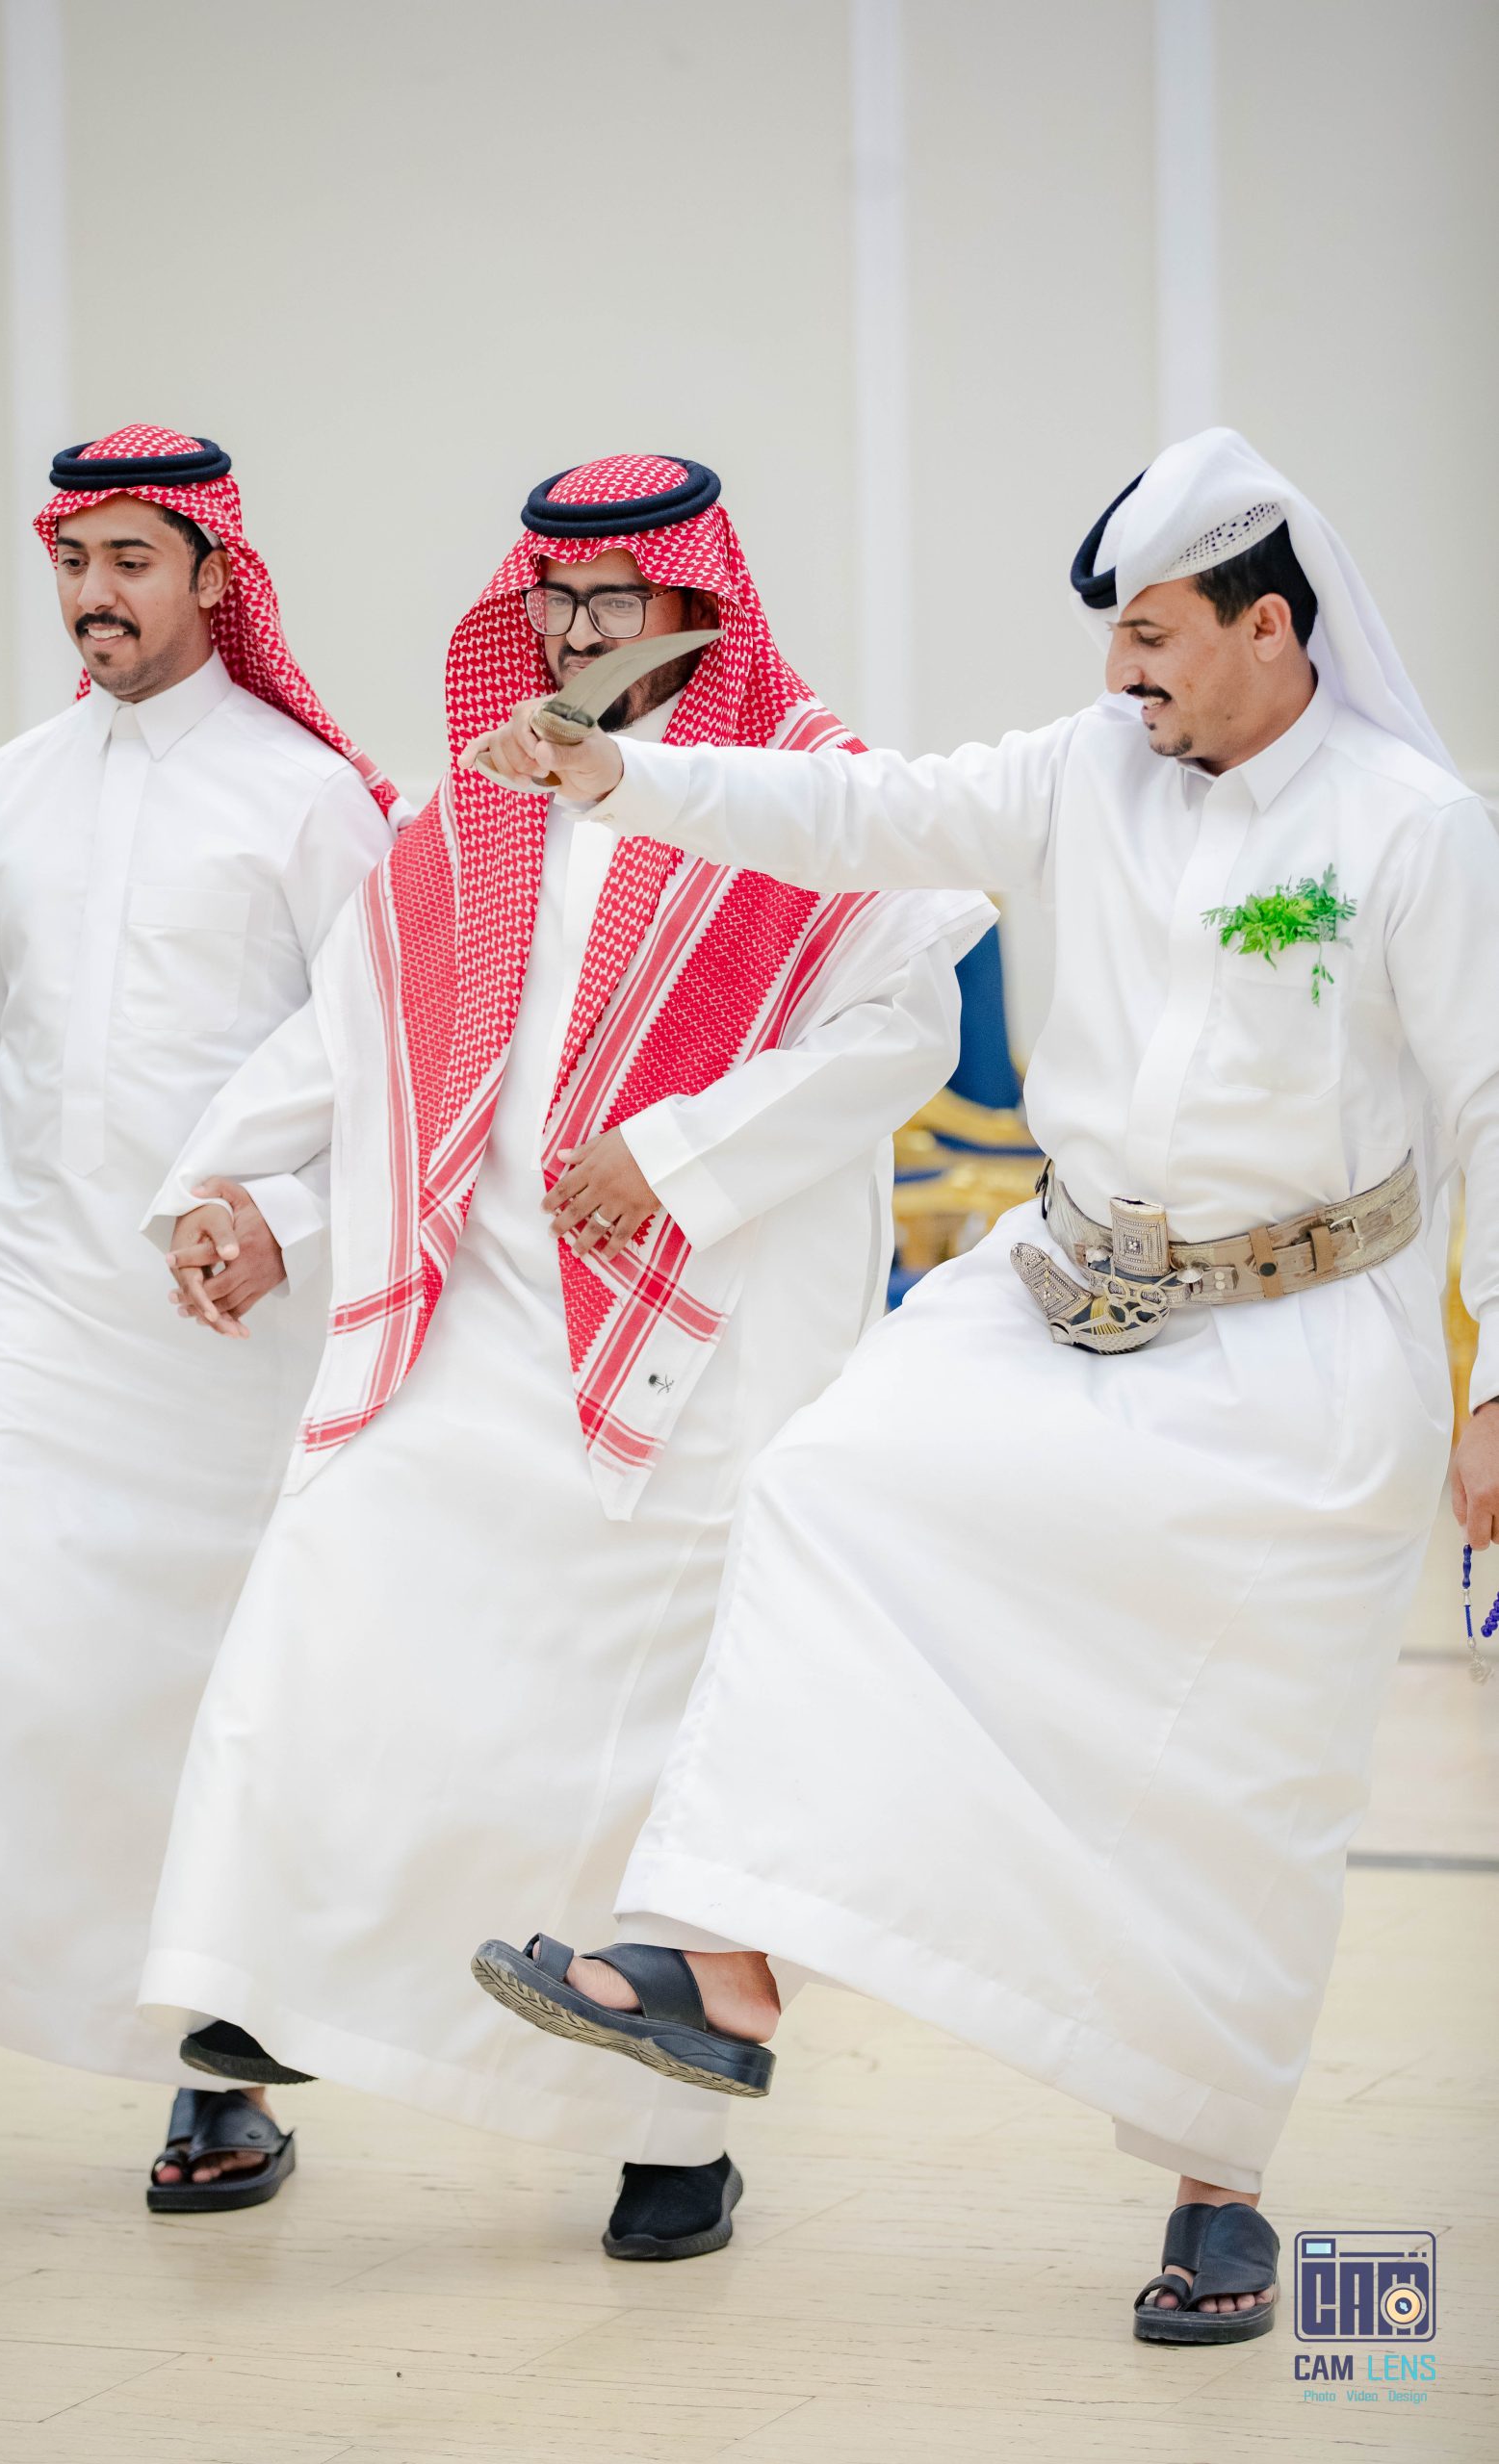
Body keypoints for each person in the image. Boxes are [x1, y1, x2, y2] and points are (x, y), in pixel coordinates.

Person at [468, 427, 1499, 2340]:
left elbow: (1495, 1099)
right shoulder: (1078, 770)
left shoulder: (1413, 828)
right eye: (1117, 635)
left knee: (1240, 1770)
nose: (1121, 671)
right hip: (1058, 1288)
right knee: (830, 1485)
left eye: (1156, 635)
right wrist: (627, 774)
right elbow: (857, 812)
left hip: (1302, 1352)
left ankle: (1216, 2184)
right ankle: (719, 1959)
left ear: (1272, 630)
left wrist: (1497, 1377)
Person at [135, 453, 993, 2262]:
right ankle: (275, 1991)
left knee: (640, 1748)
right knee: (335, 1596)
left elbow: (899, 1036)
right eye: (553, 600)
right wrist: (248, 1196)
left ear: (695, 604)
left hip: (704, 1333)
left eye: (612, 601)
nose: (575, 633)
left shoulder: (807, 786)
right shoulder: (491, 787)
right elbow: (367, 1032)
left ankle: (672, 2141)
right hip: (479, 1305)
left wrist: (675, 1155)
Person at [0, 427, 397, 2210]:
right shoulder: (14, 783)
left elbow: (385, 1067)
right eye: (73, 562)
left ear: (214, 575)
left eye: (131, 562)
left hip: (218, 1333)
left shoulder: (306, 798)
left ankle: (214, 2076)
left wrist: (290, 1227)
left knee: (192, 1705)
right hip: (23, 1295)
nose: (94, 596)